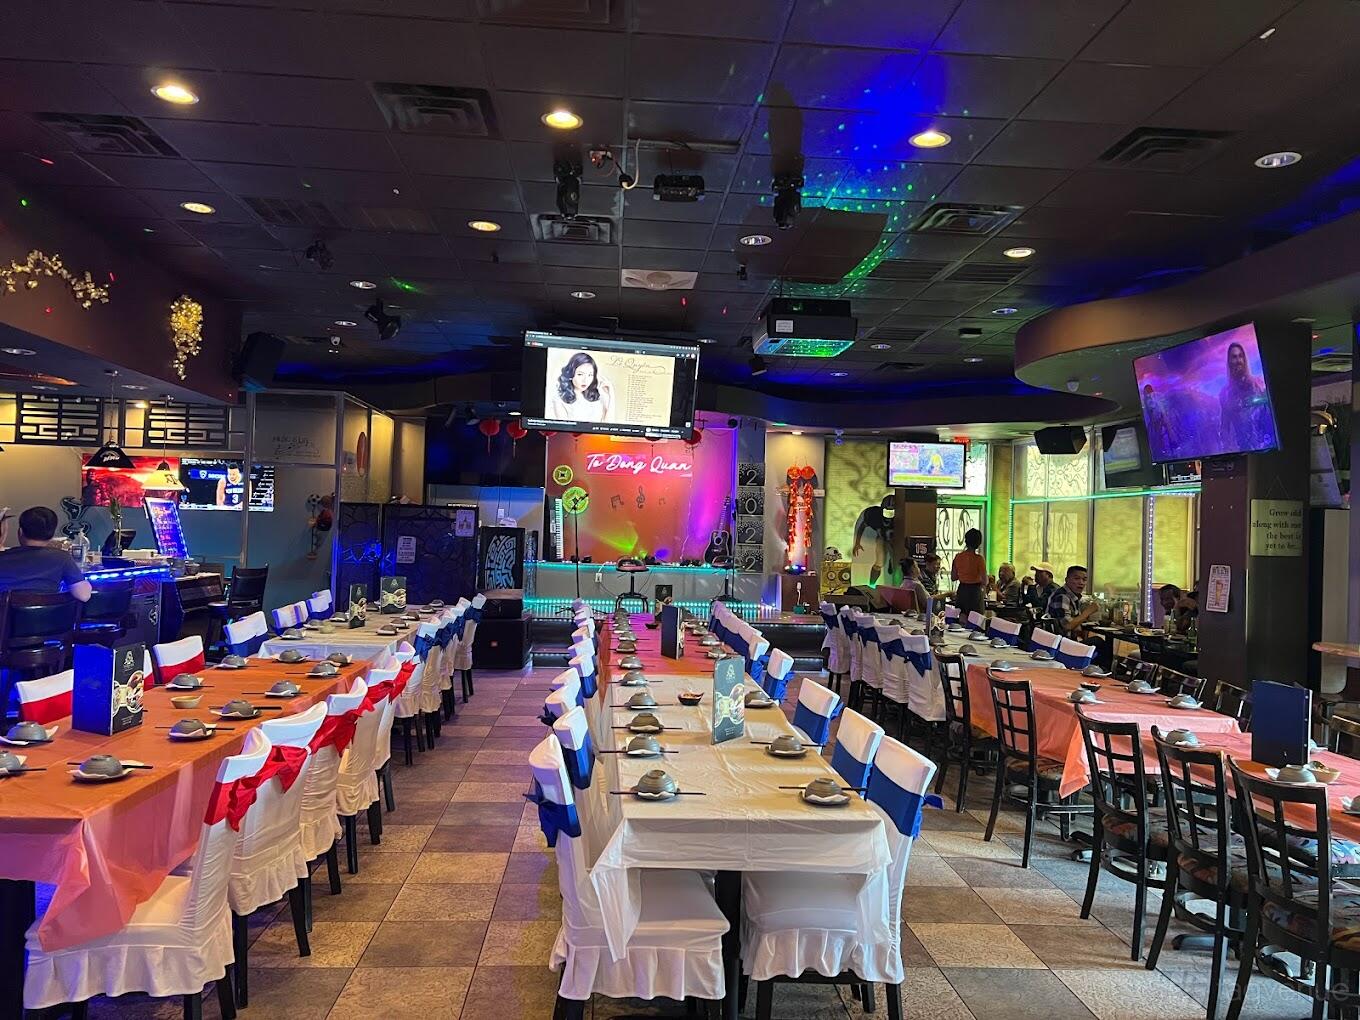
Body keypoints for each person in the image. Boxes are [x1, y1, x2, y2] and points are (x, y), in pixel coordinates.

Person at [0, 506, 92, 601]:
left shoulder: (3, 558)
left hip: (6, 610)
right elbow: (84, 595)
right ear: (52, 534)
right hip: (51, 610)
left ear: (20, 532)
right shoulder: (62, 558)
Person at [1219, 340, 1272, 452]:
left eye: (1240, 356)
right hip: (1245, 450)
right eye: (1234, 357)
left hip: (1266, 446)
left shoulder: (1259, 384)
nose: (1238, 360)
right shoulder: (1225, 394)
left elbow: (1269, 412)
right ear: (1229, 361)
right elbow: (1224, 427)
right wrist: (1228, 449)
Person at [548, 351, 614, 423]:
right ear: (571, 374)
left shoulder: (598, 397)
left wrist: (611, 394)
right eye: (580, 374)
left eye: (590, 375)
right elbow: (564, 427)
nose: (585, 380)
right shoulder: (559, 399)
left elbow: (608, 424)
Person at [851, 495, 894, 585]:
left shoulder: (902, 517)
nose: (889, 515)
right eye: (887, 511)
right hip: (882, 538)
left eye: (892, 511)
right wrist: (857, 542)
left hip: (896, 541)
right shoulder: (874, 515)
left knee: (897, 561)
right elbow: (862, 526)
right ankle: (871, 584)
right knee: (879, 563)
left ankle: (892, 563)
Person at [1048, 564, 1097, 635]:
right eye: (1076, 578)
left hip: (1070, 639)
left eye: (1084, 579)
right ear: (1066, 580)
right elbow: (1067, 625)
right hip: (1062, 640)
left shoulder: (1074, 597)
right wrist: (1088, 612)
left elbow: (1077, 626)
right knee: (1098, 640)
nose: (1081, 583)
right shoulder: (1062, 596)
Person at [951, 528, 986, 615]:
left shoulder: (958, 557)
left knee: (961, 616)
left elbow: (953, 577)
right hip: (975, 591)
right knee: (976, 618)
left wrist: (963, 574)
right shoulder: (979, 559)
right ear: (978, 542)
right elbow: (985, 581)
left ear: (966, 541)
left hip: (962, 590)